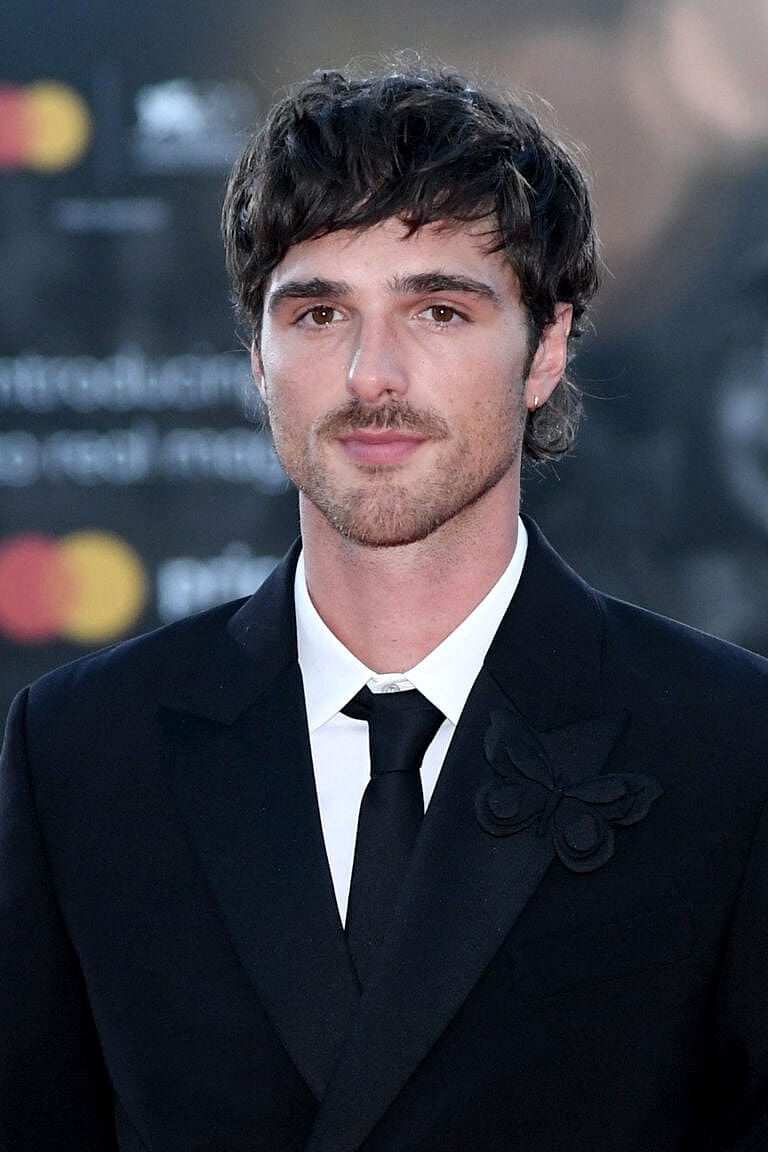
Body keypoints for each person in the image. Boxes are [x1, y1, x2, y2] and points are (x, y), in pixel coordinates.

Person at [1, 63, 767, 1152]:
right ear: (258, 356)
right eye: (318, 312)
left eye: (439, 309)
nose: (372, 373)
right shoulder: (82, 751)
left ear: (545, 348)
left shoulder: (733, 746)